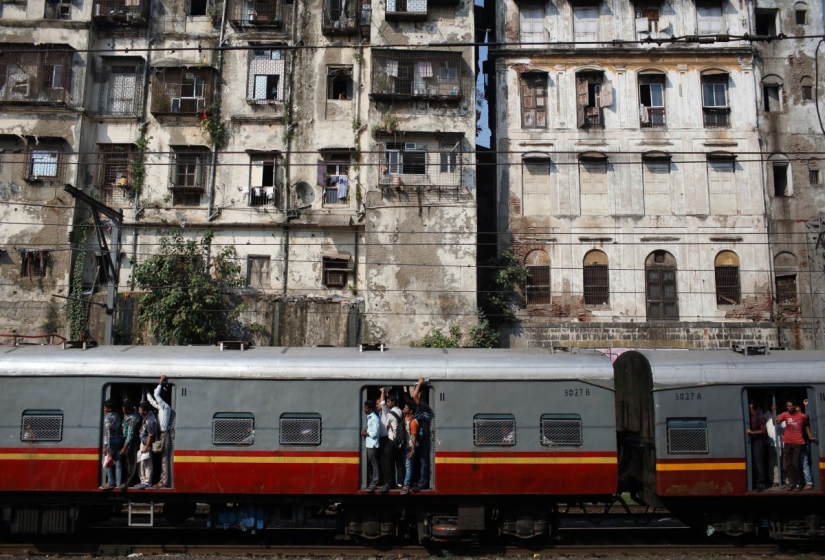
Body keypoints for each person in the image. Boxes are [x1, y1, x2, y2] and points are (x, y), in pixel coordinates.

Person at [146, 375, 175, 488]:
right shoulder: (161, 407)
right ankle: (163, 480)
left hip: (165, 434)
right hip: (162, 434)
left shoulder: (165, 407)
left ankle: (165, 481)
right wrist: (146, 391)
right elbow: (153, 401)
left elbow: (156, 395)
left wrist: (160, 382)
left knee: (164, 459)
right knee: (163, 458)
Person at [773, 399, 808, 490]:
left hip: (797, 442)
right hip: (787, 441)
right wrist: (773, 411)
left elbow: (807, 425)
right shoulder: (785, 414)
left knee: (796, 463)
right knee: (788, 464)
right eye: (787, 406)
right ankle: (792, 483)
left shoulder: (802, 416)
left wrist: (810, 436)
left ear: (795, 406)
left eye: (790, 406)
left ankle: (799, 483)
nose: (788, 408)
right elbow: (775, 422)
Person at [378, 388, 404, 494]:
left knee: (387, 462)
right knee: (398, 462)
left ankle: (388, 483)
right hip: (399, 441)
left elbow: (386, 426)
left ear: (393, 402)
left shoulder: (389, 414)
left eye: (389, 402)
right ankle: (399, 483)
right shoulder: (401, 411)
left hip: (391, 440)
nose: (387, 403)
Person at [411, 377, 433, 492]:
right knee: (420, 460)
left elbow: (413, 396)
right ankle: (419, 480)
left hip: (424, 437)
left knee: (423, 460)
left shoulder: (425, 406)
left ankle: (423, 483)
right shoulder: (420, 409)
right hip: (420, 437)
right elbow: (411, 398)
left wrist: (419, 383)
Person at [118, 399, 142, 490]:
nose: (123, 410)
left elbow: (130, 434)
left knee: (131, 462)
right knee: (128, 461)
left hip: (131, 442)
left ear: (129, 409)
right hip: (126, 439)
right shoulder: (133, 409)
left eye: (124, 409)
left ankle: (128, 483)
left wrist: (125, 447)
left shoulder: (133, 418)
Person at [100, 399, 123, 490]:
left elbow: (106, 433)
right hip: (118, 441)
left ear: (110, 409)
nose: (104, 409)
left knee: (105, 461)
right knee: (118, 462)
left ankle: (110, 482)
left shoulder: (107, 418)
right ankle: (118, 483)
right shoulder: (117, 415)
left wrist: (105, 446)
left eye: (105, 408)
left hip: (111, 442)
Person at [746, 402, 768, 491]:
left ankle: (760, 484)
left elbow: (764, 431)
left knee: (758, 462)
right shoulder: (747, 416)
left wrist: (753, 432)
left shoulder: (759, 416)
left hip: (758, 441)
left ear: (751, 405)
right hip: (752, 440)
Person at [135, 401, 158, 489]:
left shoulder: (149, 421)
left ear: (145, 411)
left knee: (147, 462)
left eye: (140, 410)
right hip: (143, 442)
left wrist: (146, 447)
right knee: (141, 462)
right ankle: (143, 480)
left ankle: (147, 481)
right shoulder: (148, 414)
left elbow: (150, 435)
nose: (139, 411)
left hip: (146, 443)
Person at [360, 400, 380, 492]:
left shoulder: (374, 418)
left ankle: (374, 482)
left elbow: (375, 433)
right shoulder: (370, 417)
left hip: (373, 445)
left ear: (371, 409)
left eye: (366, 408)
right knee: (370, 463)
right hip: (369, 444)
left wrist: (365, 433)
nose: (364, 409)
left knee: (374, 464)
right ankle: (371, 480)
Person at [800, 399, 819, 490]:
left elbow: (807, 419)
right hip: (795, 443)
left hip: (803, 443)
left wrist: (806, 406)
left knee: (804, 463)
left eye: (800, 411)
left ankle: (809, 482)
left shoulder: (803, 419)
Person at [400, 401, 419, 495]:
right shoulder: (406, 418)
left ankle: (406, 485)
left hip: (409, 446)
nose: (404, 409)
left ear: (410, 411)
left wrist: (413, 450)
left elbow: (414, 437)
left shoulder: (413, 422)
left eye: (406, 408)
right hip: (405, 445)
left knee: (408, 466)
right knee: (406, 465)